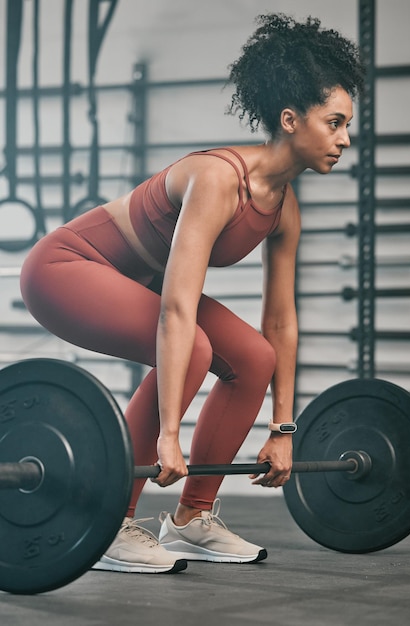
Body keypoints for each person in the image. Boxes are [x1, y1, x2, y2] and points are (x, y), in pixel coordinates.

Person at [20, 13, 365, 574]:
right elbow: (179, 309)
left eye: (347, 125)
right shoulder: (218, 179)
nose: (345, 139)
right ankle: (107, 523)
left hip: (133, 279)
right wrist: (169, 436)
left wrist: (283, 431)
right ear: (290, 119)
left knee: (254, 357)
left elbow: (280, 323)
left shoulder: (284, 210)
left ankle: (190, 520)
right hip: (66, 267)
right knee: (197, 349)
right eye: (334, 123)